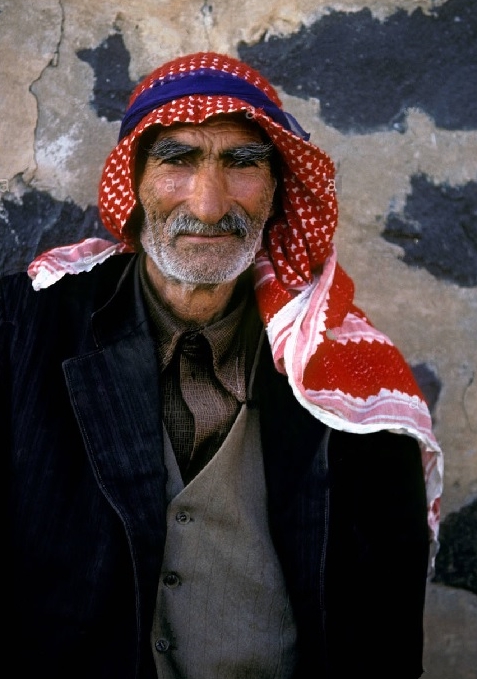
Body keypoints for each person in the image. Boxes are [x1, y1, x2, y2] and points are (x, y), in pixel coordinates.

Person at [3, 52, 443, 679]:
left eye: (242, 163)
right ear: (135, 180)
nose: (209, 205)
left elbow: (381, 633)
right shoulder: (21, 331)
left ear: (278, 189)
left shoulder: (353, 382)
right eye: (177, 160)